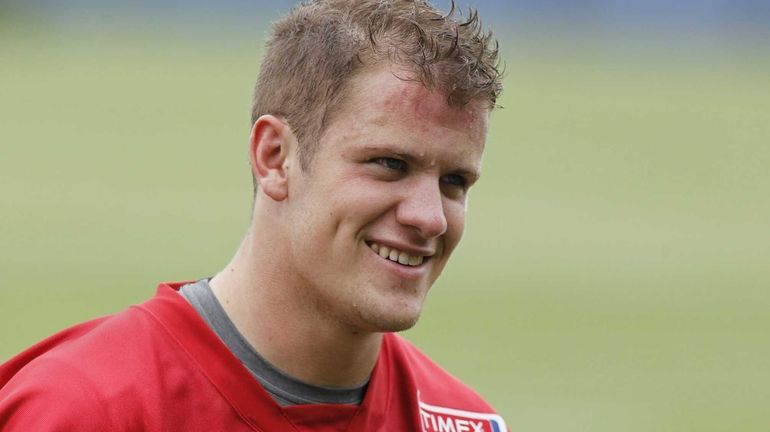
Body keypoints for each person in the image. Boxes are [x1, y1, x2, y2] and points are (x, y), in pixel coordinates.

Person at [0, 0, 506, 430]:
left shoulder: (463, 420)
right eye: (390, 164)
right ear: (274, 157)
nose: (430, 218)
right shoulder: (83, 410)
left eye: (454, 182)